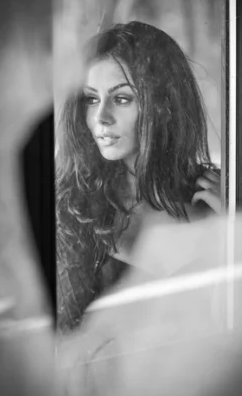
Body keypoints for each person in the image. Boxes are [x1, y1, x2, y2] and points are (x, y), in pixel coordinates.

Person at [55, 21, 222, 333]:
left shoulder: (215, 201)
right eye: (91, 99)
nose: (101, 117)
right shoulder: (68, 205)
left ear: (164, 107)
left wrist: (241, 231)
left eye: (121, 99)